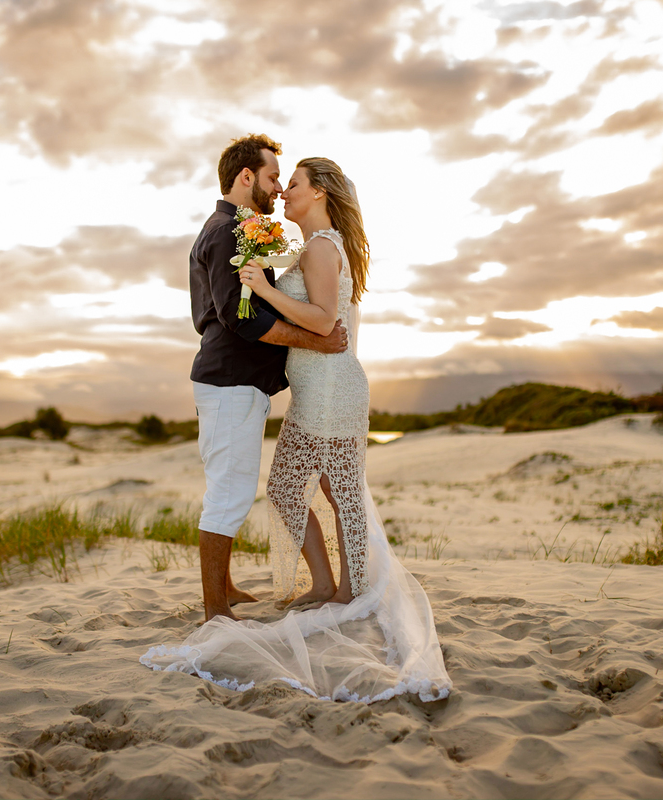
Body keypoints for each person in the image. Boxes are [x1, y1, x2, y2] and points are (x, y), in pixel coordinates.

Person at [144, 157, 451, 704]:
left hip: (332, 385)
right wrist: (261, 279)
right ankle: (328, 584)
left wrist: (262, 287)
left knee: (337, 489)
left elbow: (326, 320)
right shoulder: (308, 245)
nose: (285, 191)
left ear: (321, 192)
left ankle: (351, 590)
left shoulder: (321, 247)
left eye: (295, 184)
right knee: (291, 489)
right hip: (312, 388)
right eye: (279, 181)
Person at [187, 134, 348, 623]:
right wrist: (318, 341)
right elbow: (241, 320)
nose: (278, 189)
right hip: (230, 379)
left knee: (229, 483)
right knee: (230, 491)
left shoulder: (237, 228)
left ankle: (227, 586)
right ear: (246, 177)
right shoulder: (227, 232)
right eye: (274, 176)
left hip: (235, 380)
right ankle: (216, 609)